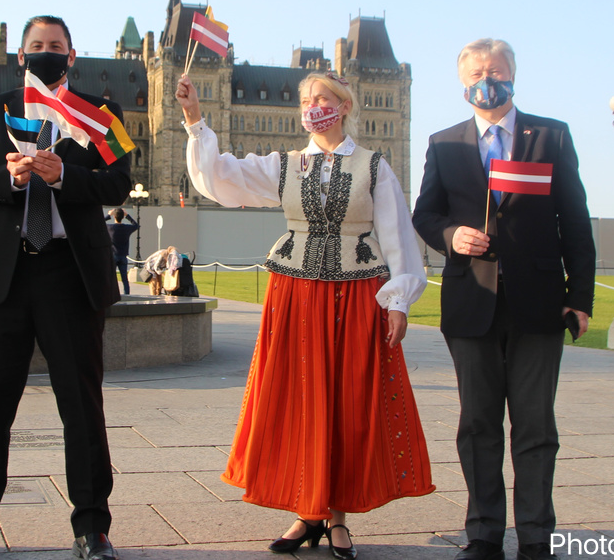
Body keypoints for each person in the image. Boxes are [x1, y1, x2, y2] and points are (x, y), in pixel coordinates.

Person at [178, 69, 433, 560]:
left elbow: (398, 235)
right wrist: (194, 119)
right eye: (307, 99)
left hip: (356, 297)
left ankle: (336, 517)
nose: (313, 106)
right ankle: (306, 511)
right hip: (294, 294)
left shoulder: (374, 166)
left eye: (323, 98)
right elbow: (220, 179)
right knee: (299, 400)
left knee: (343, 401)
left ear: (344, 106)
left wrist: (398, 299)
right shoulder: (285, 164)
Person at [0, 16, 131, 560]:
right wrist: (12, 177)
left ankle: (92, 529)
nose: (46, 53)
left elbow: (120, 181)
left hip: (70, 273)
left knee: (81, 407)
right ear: (21, 56)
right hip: (6, 273)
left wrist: (63, 177)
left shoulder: (102, 113)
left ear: (72, 56)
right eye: (36, 46)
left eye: (56, 47)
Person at [411, 38, 594, 560]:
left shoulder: (550, 136)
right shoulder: (445, 143)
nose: (486, 80)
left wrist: (579, 296)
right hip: (472, 303)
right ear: (463, 81)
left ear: (512, 74)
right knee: (479, 424)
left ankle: (536, 534)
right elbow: (425, 214)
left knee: (536, 425)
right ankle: (484, 532)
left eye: (495, 71)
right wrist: (452, 236)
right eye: (476, 72)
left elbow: (575, 220)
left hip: (538, 303)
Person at [104, 208, 139, 294]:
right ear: (122, 217)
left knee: (111, 277)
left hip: (113, 255)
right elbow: (136, 225)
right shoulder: (126, 228)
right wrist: (127, 215)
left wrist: (109, 215)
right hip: (123, 255)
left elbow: (99, 223)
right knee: (124, 278)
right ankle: (127, 294)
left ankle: (111, 293)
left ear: (114, 217)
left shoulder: (110, 228)